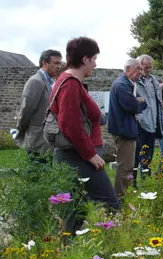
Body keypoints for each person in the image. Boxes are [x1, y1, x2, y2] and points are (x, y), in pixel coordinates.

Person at [50, 37, 120, 231]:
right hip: (79, 156)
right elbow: (69, 124)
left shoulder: (68, 81)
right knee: (109, 204)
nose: (95, 64)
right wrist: (90, 154)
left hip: (76, 154)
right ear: (85, 59)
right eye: (94, 58)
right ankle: (115, 250)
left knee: (75, 210)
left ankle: (70, 253)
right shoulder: (70, 83)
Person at [108, 59, 147, 198]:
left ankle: (123, 195)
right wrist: (139, 102)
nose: (140, 73)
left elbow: (142, 102)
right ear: (128, 68)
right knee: (125, 167)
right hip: (124, 130)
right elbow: (132, 106)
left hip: (128, 129)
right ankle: (120, 198)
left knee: (128, 167)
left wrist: (140, 101)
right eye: (138, 69)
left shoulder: (128, 84)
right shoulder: (121, 85)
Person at [15, 49, 62, 163]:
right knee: (37, 177)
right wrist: (21, 130)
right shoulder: (36, 81)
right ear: (45, 63)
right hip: (37, 141)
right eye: (56, 63)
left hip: (46, 142)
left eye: (60, 63)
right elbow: (26, 111)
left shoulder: (49, 82)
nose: (59, 66)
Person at [133, 54, 163, 181]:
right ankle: (133, 182)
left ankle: (146, 181)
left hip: (153, 123)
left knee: (148, 156)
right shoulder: (135, 81)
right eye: (146, 67)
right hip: (141, 123)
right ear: (140, 66)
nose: (148, 70)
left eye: (150, 67)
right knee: (137, 155)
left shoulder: (154, 82)